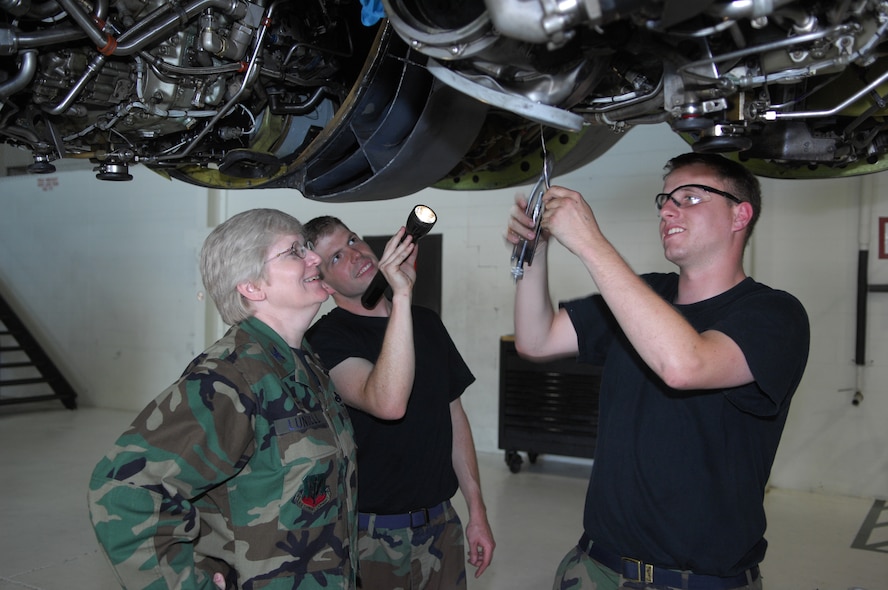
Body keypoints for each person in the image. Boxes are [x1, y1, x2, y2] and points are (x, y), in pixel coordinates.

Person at [505, 152, 810, 590]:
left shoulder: (775, 314)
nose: (667, 209)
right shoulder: (644, 291)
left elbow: (685, 364)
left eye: (690, 197)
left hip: (696, 580)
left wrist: (591, 243)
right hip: (594, 566)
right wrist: (532, 253)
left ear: (740, 214)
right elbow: (536, 341)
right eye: (665, 198)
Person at [87, 208, 359, 590]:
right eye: (295, 251)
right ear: (252, 286)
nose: (313, 257)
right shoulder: (230, 378)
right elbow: (124, 489)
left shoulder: (304, 364)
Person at [304, 215, 496, 589]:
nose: (356, 253)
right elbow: (386, 402)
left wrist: (477, 511)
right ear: (324, 284)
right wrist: (403, 295)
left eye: (353, 240)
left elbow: (453, 416)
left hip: (442, 525)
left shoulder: (426, 323)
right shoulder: (325, 339)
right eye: (336, 258)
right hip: (371, 537)